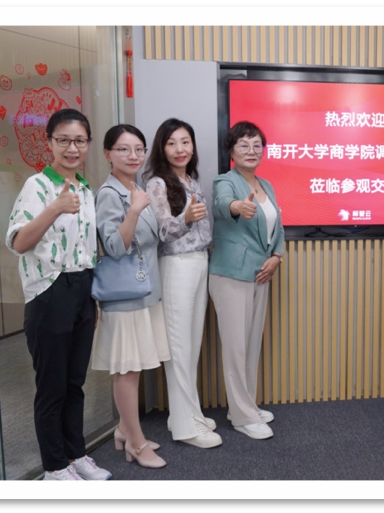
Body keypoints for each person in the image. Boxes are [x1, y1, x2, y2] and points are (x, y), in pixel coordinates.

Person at [6, 108, 112, 480]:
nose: (72, 148)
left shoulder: (85, 189)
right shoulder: (37, 186)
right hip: (49, 291)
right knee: (51, 388)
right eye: (63, 140)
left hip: (82, 289)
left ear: (88, 144)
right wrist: (54, 209)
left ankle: (75, 455)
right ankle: (54, 467)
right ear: (49, 142)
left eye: (79, 141)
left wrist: (91, 300)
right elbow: (19, 243)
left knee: (74, 383)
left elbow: (86, 249)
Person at [92, 124, 169, 469]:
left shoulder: (135, 188)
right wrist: (135, 210)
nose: (133, 155)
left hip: (143, 291)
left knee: (134, 368)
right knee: (126, 371)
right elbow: (113, 246)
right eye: (123, 149)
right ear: (107, 154)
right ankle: (136, 444)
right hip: (124, 296)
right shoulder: (110, 194)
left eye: (139, 149)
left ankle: (125, 431)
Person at [144, 118, 222, 449]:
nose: (180, 149)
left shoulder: (192, 180)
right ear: (162, 148)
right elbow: (163, 231)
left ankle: (186, 414)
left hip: (200, 262)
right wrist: (186, 219)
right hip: (176, 265)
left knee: (191, 345)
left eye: (185, 141)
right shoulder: (156, 183)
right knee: (178, 347)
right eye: (172, 143)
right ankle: (186, 428)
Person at [211, 121, 284, 440]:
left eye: (257, 145)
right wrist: (237, 206)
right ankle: (242, 416)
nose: (251, 150)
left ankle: (246, 406)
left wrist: (277, 256)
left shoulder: (266, 184)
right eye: (244, 144)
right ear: (231, 150)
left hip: (261, 273)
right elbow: (221, 205)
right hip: (231, 274)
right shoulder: (225, 181)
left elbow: (279, 226)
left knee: (252, 344)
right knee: (236, 348)